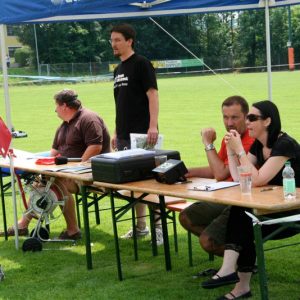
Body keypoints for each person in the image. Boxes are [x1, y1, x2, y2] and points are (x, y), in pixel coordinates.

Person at [202, 100, 300, 299]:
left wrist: (239, 150)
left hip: (292, 209)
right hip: (271, 206)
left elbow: (257, 180)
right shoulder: (258, 146)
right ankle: (237, 282)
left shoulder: (284, 145)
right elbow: (240, 178)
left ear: (268, 121)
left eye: (252, 118)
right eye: (247, 118)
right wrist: (231, 150)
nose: (247, 122)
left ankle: (234, 278)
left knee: (244, 218)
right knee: (243, 213)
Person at [0, 89, 111, 240]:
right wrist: (38, 165)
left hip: (92, 173)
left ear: (64, 106)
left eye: (56, 106)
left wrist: (76, 169)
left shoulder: (88, 119)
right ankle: (23, 224)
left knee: (55, 182)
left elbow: (95, 147)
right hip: (67, 171)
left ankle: (72, 230)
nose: (55, 110)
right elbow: (53, 152)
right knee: (40, 183)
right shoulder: (64, 126)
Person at [179, 96, 254, 258]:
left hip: (238, 201)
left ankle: (245, 260)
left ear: (246, 117)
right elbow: (217, 169)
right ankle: (235, 252)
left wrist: (208, 144)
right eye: (225, 117)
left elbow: (220, 174)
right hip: (223, 196)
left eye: (234, 117)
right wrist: (187, 171)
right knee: (186, 216)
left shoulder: (248, 141)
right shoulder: (230, 137)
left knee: (208, 241)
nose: (229, 123)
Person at [110, 23, 161, 243]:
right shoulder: (117, 70)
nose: (114, 44)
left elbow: (153, 95)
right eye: (112, 40)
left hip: (143, 134)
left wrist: (153, 126)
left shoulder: (142, 64)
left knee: (150, 181)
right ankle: (141, 227)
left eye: (118, 40)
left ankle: (159, 228)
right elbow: (119, 104)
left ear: (130, 40)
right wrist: (115, 131)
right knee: (132, 184)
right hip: (123, 135)